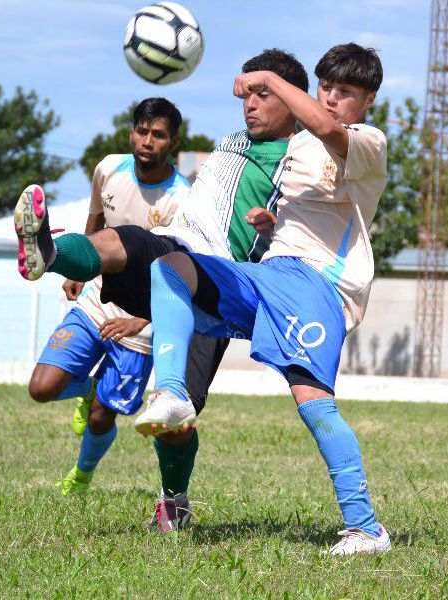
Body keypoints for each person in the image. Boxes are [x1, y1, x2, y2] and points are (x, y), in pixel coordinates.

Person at [14, 49, 309, 531]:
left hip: (223, 285)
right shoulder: (230, 142)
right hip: (178, 252)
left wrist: (274, 226)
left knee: (178, 420)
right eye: (247, 93)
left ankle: (174, 500)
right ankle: (49, 252)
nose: (250, 104)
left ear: (292, 101)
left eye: (264, 94)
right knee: (121, 240)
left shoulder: (302, 160)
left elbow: (310, 227)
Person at [135, 43, 392, 555]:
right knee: (172, 266)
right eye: (327, 88)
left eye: (347, 92)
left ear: (367, 102)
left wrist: (268, 80)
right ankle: (170, 393)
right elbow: (314, 216)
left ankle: (366, 529)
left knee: (314, 406)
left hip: (317, 287)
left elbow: (327, 129)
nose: (333, 98)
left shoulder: (367, 140)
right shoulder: (296, 149)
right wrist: (272, 226)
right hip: (268, 273)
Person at [21, 97, 190, 494]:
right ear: (132, 132)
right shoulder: (109, 169)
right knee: (41, 388)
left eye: (159, 135)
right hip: (97, 300)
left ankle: (81, 476)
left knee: (101, 418)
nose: (148, 141)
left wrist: (142, 319)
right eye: (142, 131)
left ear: (173, 142)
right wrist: (81, 269)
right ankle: (92, 386)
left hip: (142, 319)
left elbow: (182, 273)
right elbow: (96, 218)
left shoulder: (183, 199)